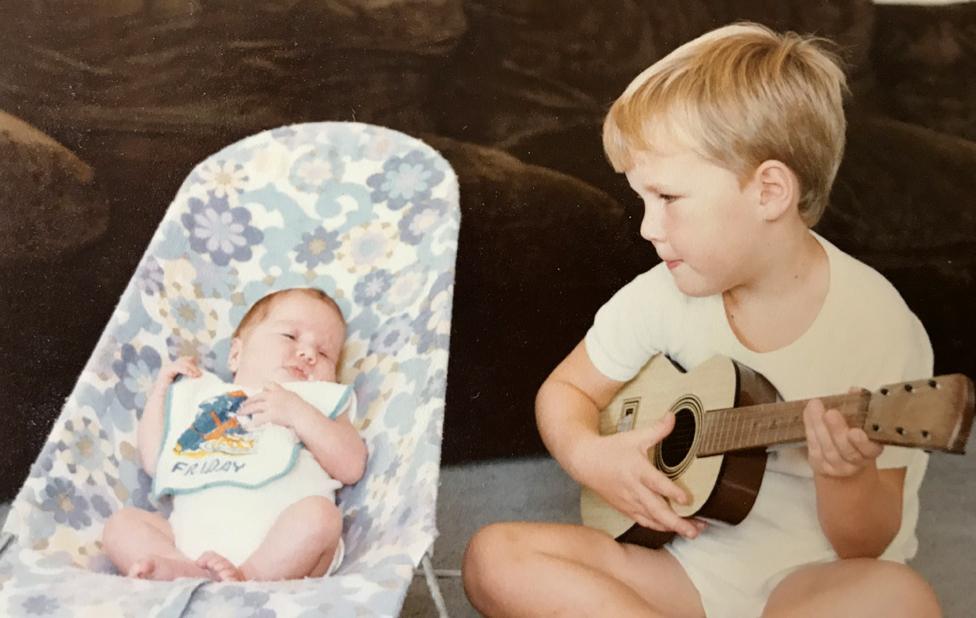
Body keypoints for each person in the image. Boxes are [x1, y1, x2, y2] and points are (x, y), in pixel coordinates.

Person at [462, 22, 942, 617]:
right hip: (679, 569)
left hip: (807, 585)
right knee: (494, 557)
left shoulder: (877, 326)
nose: (647, 226)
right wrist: (592, 456)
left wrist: (844, 476)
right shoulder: (662, 295)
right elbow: (565, 390)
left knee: (901, 600)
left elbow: (865, 545)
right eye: (642, 199)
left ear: (769, 192)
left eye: (667, 198)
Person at [102, 287, 367, 582]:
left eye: (324, 353)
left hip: (283, 550)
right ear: (236, 354)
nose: (307, 354)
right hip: (190, 543)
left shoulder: (319, 401)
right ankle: (185, 571)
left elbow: (351, 465)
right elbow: (155, 461)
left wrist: (298, 413)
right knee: (121, 524)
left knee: (322, 518)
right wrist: (160, 392)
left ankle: (243, 578)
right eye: (290, 337)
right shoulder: (204, 395)